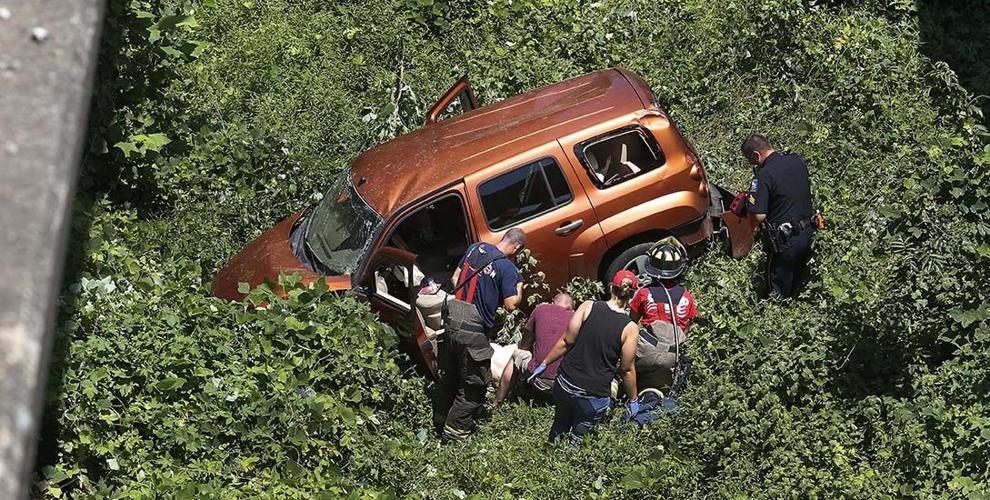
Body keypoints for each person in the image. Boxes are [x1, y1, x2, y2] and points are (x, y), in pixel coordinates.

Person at [433, 228, 526, 442]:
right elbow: (511, 305)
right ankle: (455, 435)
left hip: (451, 321)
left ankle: (439, 420)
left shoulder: (476, 247)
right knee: (474, 385)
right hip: (472, 332)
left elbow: (456, 279)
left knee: (451, 375)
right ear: (517, 248)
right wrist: (519, 287)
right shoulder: (507, 267)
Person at [530, 271, 640, 446]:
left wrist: (544, 363)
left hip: (565, 382)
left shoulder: (588, 306)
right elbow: (626, 369)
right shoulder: (630, 328)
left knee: (560, 423)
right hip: (594, 394)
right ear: (632, 295)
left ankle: (549, 453)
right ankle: (569, 465)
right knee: (580, 436)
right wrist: (633, 399)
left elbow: (567, 341)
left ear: (611, 287)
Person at [741, 133, 818, 298]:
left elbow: (759, 216)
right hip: (809, 234)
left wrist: (750, 229)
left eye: (751, 160)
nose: (752, 164)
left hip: (785, 244)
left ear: (756, 155)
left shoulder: (764, 176)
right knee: (800, 286)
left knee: (777, 293)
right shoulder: (796, 160)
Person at [628, 236, 697, 406]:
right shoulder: (688, 297)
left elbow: (630, 325)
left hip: (645, 352)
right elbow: (686, 331)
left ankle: (618, 393)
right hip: (673, 356)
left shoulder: (644, 293)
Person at [490, 292, 575, 408]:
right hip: (566, 385)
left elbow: (524, 346)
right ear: (571, 307)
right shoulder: (576, 319)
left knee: (515, 355)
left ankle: (497, 402)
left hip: (539, 379)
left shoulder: (541, 309)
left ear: (552, 302)